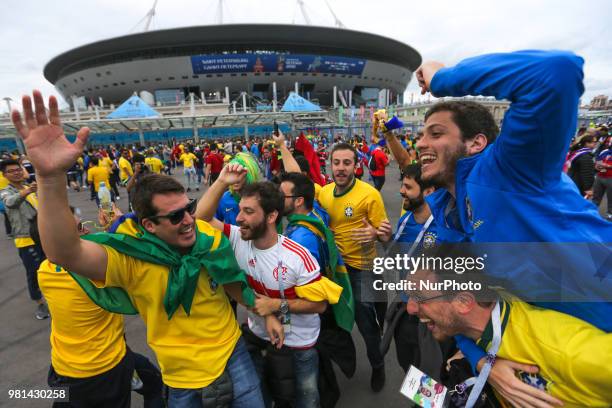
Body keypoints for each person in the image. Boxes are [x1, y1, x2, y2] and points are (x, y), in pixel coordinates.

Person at [11, 90, 277, 408]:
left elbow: (238, 288)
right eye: (176, 215)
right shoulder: (133, 259)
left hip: (233, 359)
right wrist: (50, 177)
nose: (189, 220)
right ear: (149, 225)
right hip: (173, 380)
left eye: (188, 208)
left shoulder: (206, 238)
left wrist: (277, 314)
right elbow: (64, 253)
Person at [412, 50, 612, 406]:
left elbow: (556, 72)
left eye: (435, 133)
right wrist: (486, 362)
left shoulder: (508, 169)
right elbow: (455, 312)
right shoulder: (444, 217)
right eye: (421, 135)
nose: (421, 143)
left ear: (476, 143)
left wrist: (443, 78)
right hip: (545, 359)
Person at [195, 167, 343, 408]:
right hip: (259, 337)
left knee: (306, 397)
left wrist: (275, 305)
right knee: (261, 397)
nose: (239, 218)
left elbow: (320, 305)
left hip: (299, 344)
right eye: (240, 210)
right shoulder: (237, 238)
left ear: (272, 216)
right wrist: (222, 181)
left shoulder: (298, 257)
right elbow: (200, 219)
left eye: (249, 211)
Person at [406, 246, 612, 408]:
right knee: (414, 387)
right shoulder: (465, 326)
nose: (410, 309)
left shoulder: (568, 351)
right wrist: (477, 360)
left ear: (464, 302)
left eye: (419, 298)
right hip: (468, 394)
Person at [35, 206, 164, 408]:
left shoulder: (45, 271)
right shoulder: (97, 274)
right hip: (106, 368)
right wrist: (118, 226)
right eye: (79, 229)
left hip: (64, 369)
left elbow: (81, 255)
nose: (87, 231)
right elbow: (142, 253)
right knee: (156, 387)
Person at [317, 142, 391, 392]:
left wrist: (375, 233)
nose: (340, 168)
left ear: (356, 165)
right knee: (332, 321)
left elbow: (386, 236)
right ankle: (341, 364)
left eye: (346, 163)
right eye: (336, 162)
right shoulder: (324, 193)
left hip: (362, 269)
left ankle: (377, 365)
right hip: (334, 271)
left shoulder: (369, 194)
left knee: (367, 324)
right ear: (330, 164)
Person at [0, 158, 49, 320]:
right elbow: (10, 203)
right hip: (25, 239)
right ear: (4, 175)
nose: (16, 173)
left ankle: (53, 296)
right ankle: (39, 302)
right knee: (33, 273)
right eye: (11, 171)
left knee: (49, 267)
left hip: (42, 235)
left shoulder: (29, 187)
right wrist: (26, 192)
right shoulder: (6, 192)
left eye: (18, 169)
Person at [567, 132, 597, 197]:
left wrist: (595, 169)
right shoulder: (585, 156)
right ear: (586, 143)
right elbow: (586, 173)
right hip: (579, 185)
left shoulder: (579, 152)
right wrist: (587, 188)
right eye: (593, 142)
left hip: (573, 181)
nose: (595, 143)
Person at [592, 134, 612, 219]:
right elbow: (597, 161)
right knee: (596, 197)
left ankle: (610, 214)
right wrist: (597, 165)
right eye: (608, 141)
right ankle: (592, 212)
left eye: (609, 142)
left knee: (611, 198)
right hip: (600, 176)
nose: (608, 143)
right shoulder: (605, 151)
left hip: (610, 178)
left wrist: (607, 166)